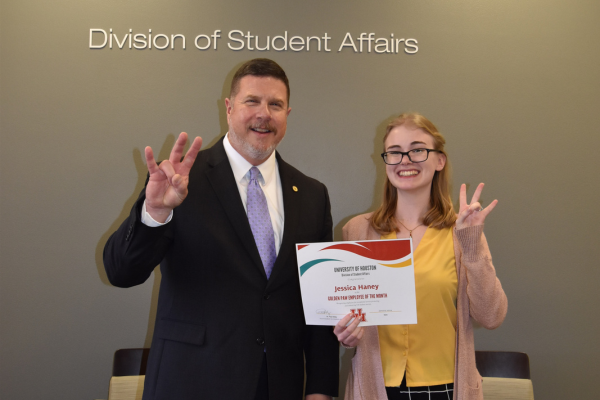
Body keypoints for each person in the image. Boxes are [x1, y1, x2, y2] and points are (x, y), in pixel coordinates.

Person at [103, 58, 339, 400]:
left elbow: (319, 303)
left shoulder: (312, 194)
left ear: (288, 113)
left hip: (279, 385)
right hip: (192, 381)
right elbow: (121, 271)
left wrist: (320, 389)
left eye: (275, 104)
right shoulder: (181, 181)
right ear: (228, 108)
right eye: (251, 101)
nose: (264, 114)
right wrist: (155, 210)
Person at [333, 113, 507, 400]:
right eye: (395, 152)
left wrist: (472, 242)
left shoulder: (462, 230)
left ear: (440, 160)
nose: (405, 160)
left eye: (417, 149)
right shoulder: (358, 230)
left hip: (447, 387)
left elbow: (491, 316)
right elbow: (346, 310)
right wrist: (344, 330)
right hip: (375, 388)